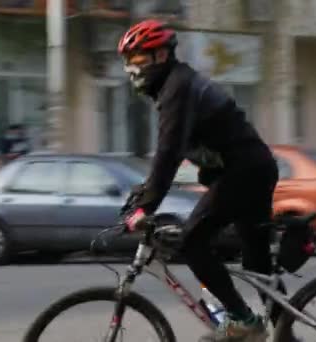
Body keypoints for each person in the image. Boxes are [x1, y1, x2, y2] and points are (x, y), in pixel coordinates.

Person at [117, 19, 278, 342]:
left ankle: (243, 322)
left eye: (137, 60)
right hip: (252, 170)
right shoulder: (175, 86)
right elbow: (168, 154)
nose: (131, 69)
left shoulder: (178, 88)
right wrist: (141, 195)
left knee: (192, 242)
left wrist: (148, 205)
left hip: (244, 172)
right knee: (256, 260)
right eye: (127, 62)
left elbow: (169, 151)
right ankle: (284, 332)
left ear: (161, 56)